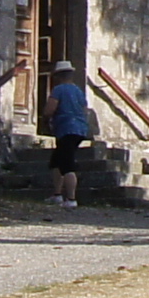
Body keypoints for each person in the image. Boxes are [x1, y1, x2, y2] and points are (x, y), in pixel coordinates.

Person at [42, 52, 96, 205]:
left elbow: (50, 109)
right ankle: (57, 194)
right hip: (79, 129)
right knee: (56, 161)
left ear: (58, 76)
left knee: (67, 164)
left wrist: (46, 119)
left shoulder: (58, 90)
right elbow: (85, 110)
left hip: (66, 128)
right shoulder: (78, 91)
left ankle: (71, 198)